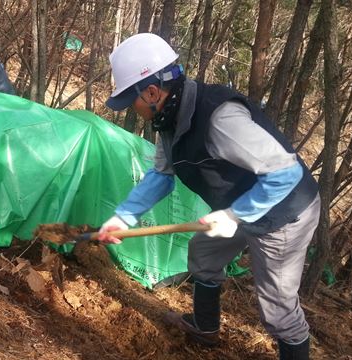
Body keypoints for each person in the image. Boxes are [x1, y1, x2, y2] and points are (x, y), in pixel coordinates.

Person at [98, 33, 320, 360]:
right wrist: (123, 217)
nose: (132, 108)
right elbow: (162, 175)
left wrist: (234, 216)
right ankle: (205, 327)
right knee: (204, 253)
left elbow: (285, 174)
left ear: (152, 91)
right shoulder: (168, 120)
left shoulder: (220, 117)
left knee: (278, 310)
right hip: (242, 205)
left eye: (131, 99)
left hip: (285, 211)